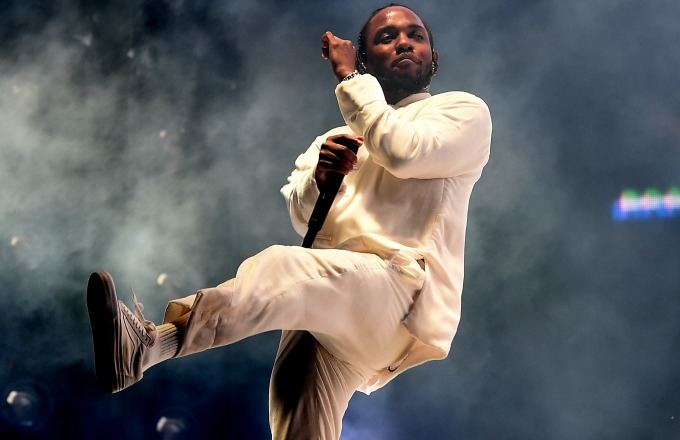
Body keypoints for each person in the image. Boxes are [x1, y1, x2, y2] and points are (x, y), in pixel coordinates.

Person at [86, 4, 492, 439]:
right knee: (298, 418)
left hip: (402, 297)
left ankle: (151, 343)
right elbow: (304, 217)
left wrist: (351, 81)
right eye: (387, 38)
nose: (405, 42)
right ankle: (142, 350)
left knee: (283, 266)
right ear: (368, 57)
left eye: (416, 35)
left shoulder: (462, 112)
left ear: (433, 55)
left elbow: (402, 150)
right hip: (338, 298)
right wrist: (320, 179)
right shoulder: (334, 139)